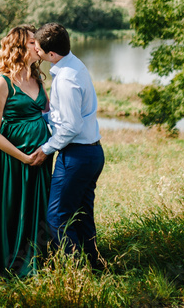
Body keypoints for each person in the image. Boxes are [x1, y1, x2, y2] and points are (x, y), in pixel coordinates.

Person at [0, 25, 53, 277]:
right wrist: (24, 157)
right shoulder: (2, 83)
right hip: (15, 161)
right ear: (19, 47)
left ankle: (38, 262)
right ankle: (8, 265)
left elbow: (49, 115)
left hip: (42, 159)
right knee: (14, 209)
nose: (38, 46)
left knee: (39, 209)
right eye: (33, 42)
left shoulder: (38, 79)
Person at [30, 22, 105, 271]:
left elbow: (71, 126)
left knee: (57, 219)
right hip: (92, 152)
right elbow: (68, 117)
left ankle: (76, 271)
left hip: (76, 155)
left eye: (39, 50)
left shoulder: (66, 79)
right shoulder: (73, 64)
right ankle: (96, 266)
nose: (36, 53)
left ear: (51, 54)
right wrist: (44, 116)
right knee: (82, 216)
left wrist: (47, 149)